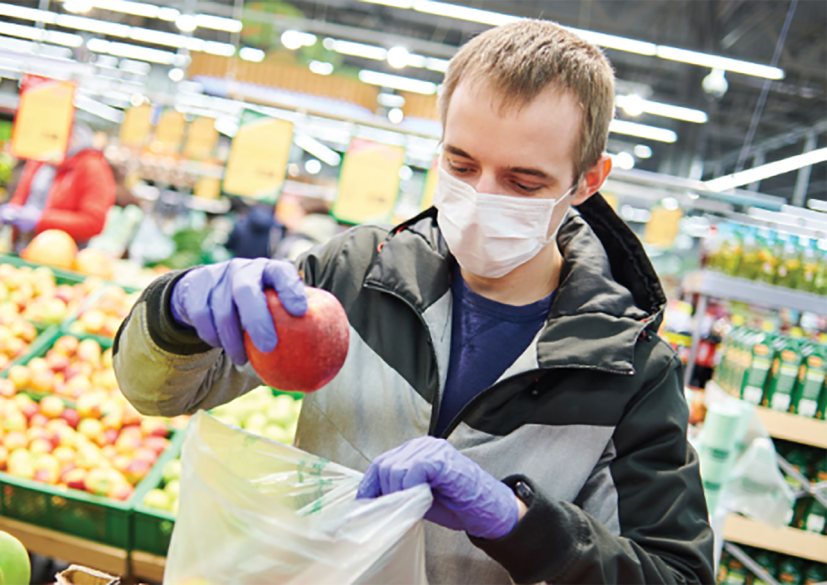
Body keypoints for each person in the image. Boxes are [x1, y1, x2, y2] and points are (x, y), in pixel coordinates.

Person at [113, 20, 713, 585]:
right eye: (461, 163)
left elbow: (676, 573)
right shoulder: (353, 275)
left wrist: (520, 522)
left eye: (523, 183)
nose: (480, 198)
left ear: (588, 179)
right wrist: (176, 311)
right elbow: (157, 391)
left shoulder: (629, 371)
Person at [0, 123, 115, 245]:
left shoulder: (92, 167)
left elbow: (93, 222)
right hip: (20, 244)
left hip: (61, 252)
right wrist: (14, 208)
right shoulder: (41, 157)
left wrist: (41, 221)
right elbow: (24, 194)